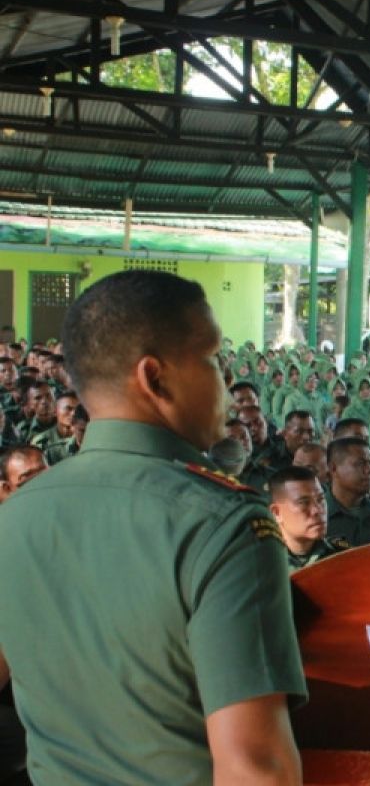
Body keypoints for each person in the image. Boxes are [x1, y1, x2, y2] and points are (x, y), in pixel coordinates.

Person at [0, 270, 305, 783]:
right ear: (155, 378)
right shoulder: (223, 524)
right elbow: (256, 769)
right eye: (211, 358)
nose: (226, 380)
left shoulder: (15, 516)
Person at [269, 465, 348, 572]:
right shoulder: (261, 562)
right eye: (304, 503)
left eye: (320, 499)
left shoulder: (342, 555)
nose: (317, 510)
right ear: (276, 513)